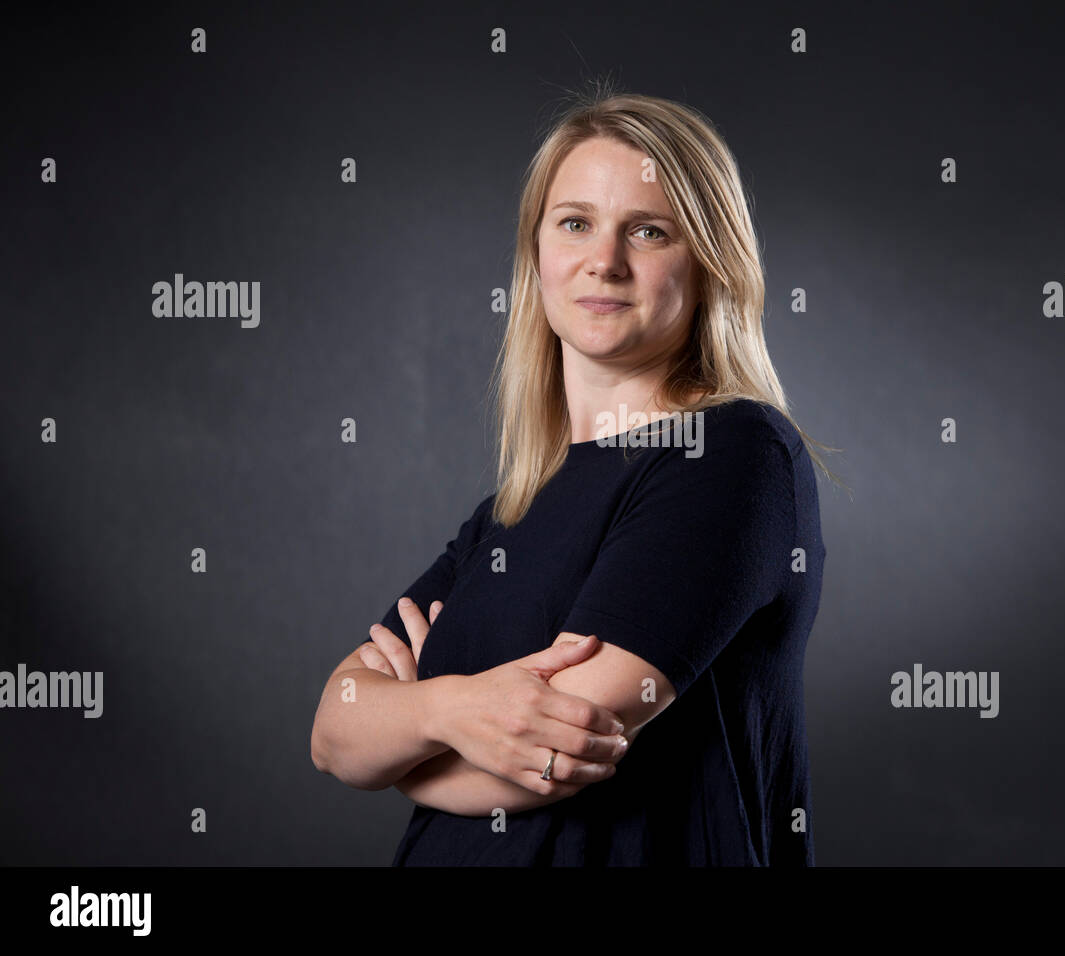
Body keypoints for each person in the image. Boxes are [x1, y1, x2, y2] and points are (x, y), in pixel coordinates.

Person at [310, 86, 839, 865]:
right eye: (575, 223)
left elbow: (562, 750)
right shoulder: (509, 513)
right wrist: (456, 708)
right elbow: (334, 732)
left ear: (708, 261)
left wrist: (410, 746)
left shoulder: (731, 455)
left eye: (649, 231)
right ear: (537, 255)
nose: (605, 261)